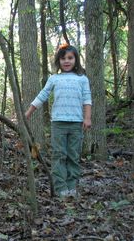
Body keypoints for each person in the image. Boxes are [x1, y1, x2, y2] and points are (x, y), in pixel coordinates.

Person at [25, 43, 92, 198]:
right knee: (59, 155)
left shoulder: (82, 79)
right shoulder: (54, 78)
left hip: (76, 123)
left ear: (75, 59)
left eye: (70, 58)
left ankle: (72, 187)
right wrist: (28, 113)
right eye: (63, 59)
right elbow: (43, 95)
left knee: (73, 155)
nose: (66, 61)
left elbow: (87, 99)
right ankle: (61, 189)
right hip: (58, 124)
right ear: (58, 61)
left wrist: (87, 118)